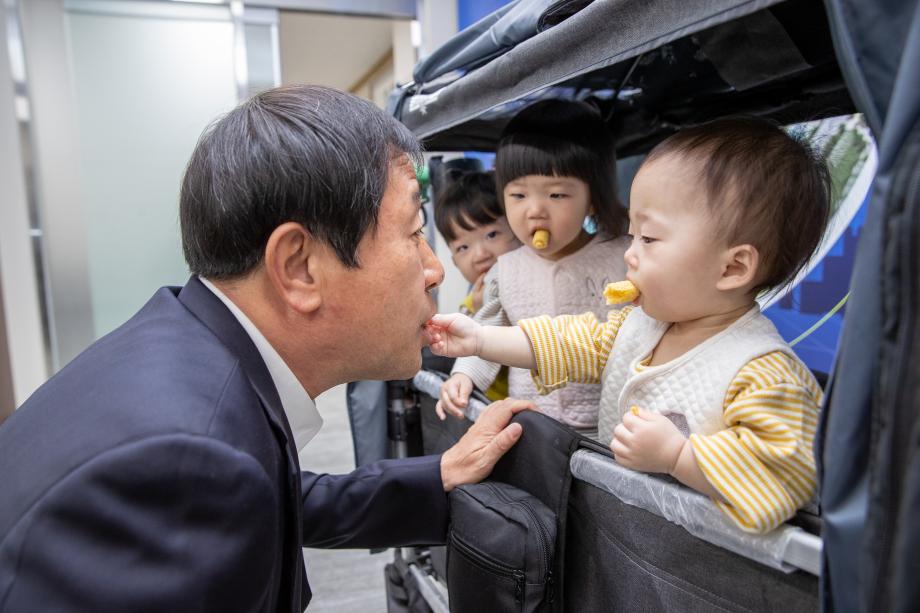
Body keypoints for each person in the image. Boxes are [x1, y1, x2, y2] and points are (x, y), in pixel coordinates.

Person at [0, 85, 531, 612]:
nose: (436, 269)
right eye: (415, 233)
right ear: (300, 268)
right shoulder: (184, 462)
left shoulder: (185, 352)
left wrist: (436, 473)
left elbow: (277, 495)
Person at [428, 117, 830, 533]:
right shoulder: (639, 325)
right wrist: (478, 338)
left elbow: (788, 474)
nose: (630, 255)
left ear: (733, 267)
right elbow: (568, 340)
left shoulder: (762, 371)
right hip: (626, 543)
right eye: (632, 235)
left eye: (649, 240)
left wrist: (679, 457)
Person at [437, 100, 630, 435]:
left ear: (593, 198)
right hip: (530, 427)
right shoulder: (506, 270)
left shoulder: (624, 257)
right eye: (518, 196)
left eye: (556, 195)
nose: (535, 211)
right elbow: (485, 334)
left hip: (608, 429)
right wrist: (463, 375)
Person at [433, 170, 520, 408]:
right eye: (463, 248)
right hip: (497, 405)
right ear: (453, 261)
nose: (480, 254)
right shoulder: (472, 301)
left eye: (492, 234)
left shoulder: (525, 279)